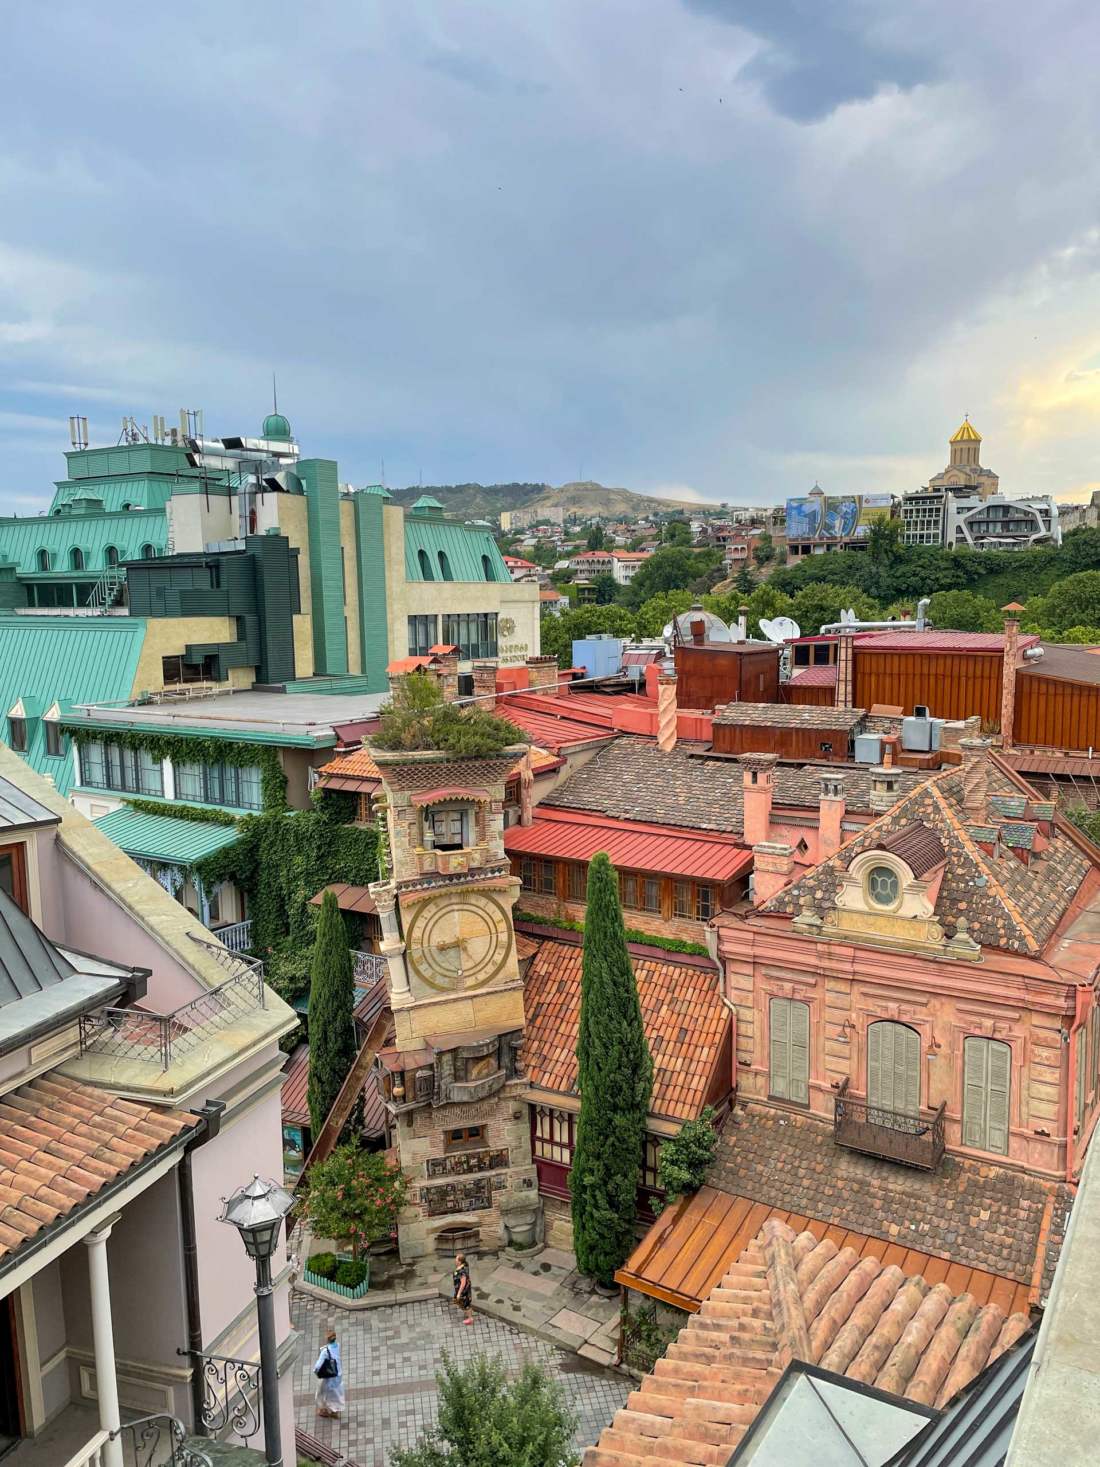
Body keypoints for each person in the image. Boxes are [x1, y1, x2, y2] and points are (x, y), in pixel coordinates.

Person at [314, 1328, 344, 1417]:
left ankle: (323, 1410)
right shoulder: (337, 1346)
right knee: (335, 1392)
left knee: (321, 1392)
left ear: (327, 1339)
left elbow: (317, 1367)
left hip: (327, 1375)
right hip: (337, 1374)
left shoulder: (325, 1351)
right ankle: (335, 1411)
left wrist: (316, 1372)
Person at [453, 1251, 474, 1325]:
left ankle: (470, 1319)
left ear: (460, 1261)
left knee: (466, 1304)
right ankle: (468, 1313)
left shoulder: (462, 1271)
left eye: (456, 1260)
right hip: (460, 1289)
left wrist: (459, 1293)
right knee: (463, 1303)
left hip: (463, 1291)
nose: (455, 1261)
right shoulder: (464, 1265)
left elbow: (463, 1283)